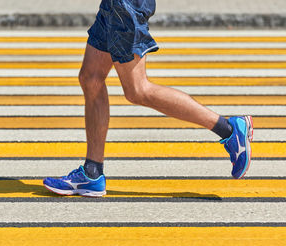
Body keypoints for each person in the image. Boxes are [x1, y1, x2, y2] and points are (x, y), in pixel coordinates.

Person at [43, 0, 253, 197]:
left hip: (125, 4)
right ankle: (92, 173)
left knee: (137, 89)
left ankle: (229, 129)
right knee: (91, 77)